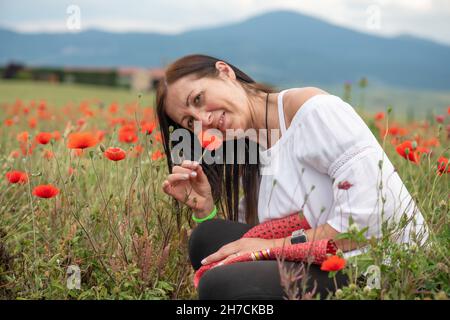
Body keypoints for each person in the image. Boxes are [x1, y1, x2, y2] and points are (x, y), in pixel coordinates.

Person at [156, 54, 428, 299]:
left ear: (224, 71)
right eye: (190, 122)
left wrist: (268, 247)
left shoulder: (315, 112)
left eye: (198, 99)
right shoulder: (256, 144)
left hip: (380, 265)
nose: (204, 119)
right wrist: (204, 208)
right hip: (320, 256)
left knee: (221, 285)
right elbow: (254, 234)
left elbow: (371, 220)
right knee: (208, 237)